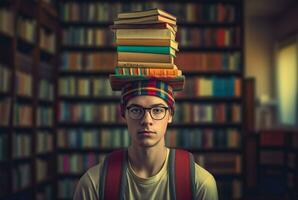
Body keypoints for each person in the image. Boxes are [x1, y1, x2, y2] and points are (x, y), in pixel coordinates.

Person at [73, 79, 218, 200]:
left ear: (170, 115)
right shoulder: (93, 184)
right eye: (136, 110)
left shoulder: (200, 184)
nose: (146, 120)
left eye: (157, 110)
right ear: (124, 114)